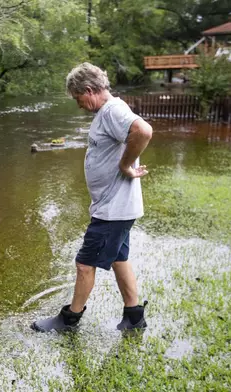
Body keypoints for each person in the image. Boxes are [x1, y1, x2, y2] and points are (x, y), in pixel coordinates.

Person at [32, 63, 153, 333]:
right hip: (116, 207)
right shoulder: (108, 111)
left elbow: (143, 131)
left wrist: (125, 165)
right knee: (118, 258)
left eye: (78, 98)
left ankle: (69, 320)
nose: (78, 105)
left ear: (89, 90)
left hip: (112, 210)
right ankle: (134, 317)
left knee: (85, 264)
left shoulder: (112, 111)